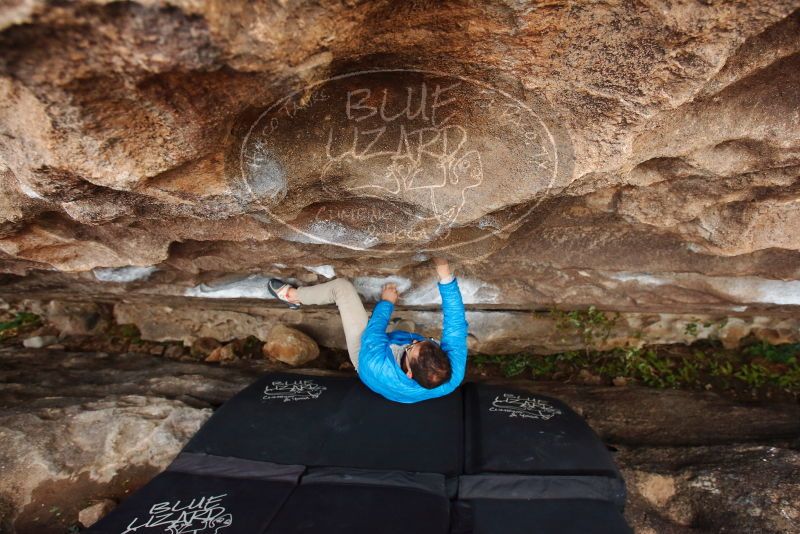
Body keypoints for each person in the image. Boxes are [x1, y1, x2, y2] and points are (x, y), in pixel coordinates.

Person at [268, 258, 468, 403]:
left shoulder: (376, 363)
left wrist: (387, 303)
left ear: (409, 373)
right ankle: (402, 335)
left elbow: (375, 331)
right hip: (395, 379)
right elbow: (456, 323)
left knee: (341, 288)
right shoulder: (451, 373)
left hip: (366, 359)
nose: (414, 342)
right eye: (427, 342)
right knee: (406, 326)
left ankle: (293, 296)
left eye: (411, 348)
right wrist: (444, 275)